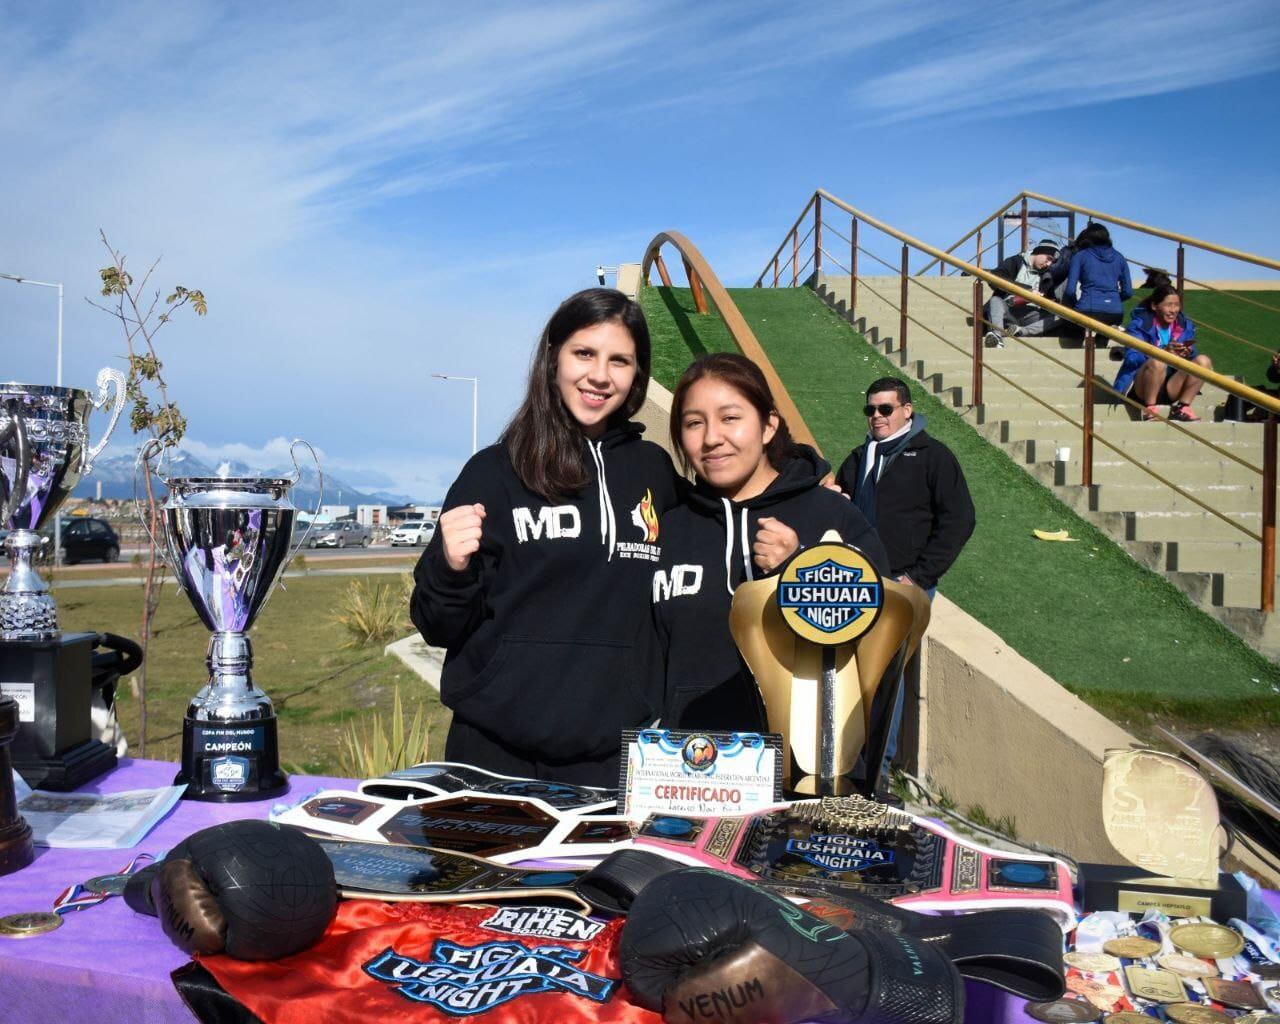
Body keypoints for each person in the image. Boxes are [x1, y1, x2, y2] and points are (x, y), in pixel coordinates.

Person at [409, 287, 681, 787]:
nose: (600, 375)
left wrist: (796, 491)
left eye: (619, 360)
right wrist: (449, 567)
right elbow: (437, 626)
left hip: (611, 761)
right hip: (491, 755)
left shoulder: (654, 472)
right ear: (553, 357)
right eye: (584, 353)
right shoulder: (493, 471)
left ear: (637, 374)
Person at [652, 352, 888, 733]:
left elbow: (878, 644)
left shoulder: (834, 516)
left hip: (804, 773)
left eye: (730, 418)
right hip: (690, 766)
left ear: (768, 425)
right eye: (694, 423)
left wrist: (799, 573)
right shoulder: (669, 528)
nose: (712, 438)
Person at [836, 377, 975, 774]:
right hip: (858, 585)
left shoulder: (934, 457)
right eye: (871, 409)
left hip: (904, 586)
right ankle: (849, 764)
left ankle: (876, 772)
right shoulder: (861, 456)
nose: (877, 417)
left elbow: (960, 519)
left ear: (907, 410)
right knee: (853, 676)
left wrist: (919, 576)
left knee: (887, 678)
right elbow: (839, 498)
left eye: (886, 409)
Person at [1114, 284, 1213, 422]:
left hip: (1169, 386)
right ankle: (1150, 410)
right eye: (1168, 305)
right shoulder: (1139, 325)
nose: (1173, 310)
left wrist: (1187, 353)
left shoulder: (1184, 325)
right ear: (1155, 306)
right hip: (1141, 387)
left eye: (1176, 305)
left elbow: (1193, 354)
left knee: (1203, 361)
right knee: (1158, 362)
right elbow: (1132, 358)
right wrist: (1163, 352)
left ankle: (1183, 408)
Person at [1064, 223, 1133, 346]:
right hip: (1115, 312)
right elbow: (1128, 292)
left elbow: (1070, 291)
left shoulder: (1080, 256)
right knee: (1103, 333)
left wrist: (1074, 304)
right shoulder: (1120, 258)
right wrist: (1115, 299)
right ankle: (1100, 345)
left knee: (1069, 324)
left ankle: (1078, 351)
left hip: (1088, 308)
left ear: (1087, 238)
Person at [983, 242, 1059, 347]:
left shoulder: (1047, 275)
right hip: (1009, 309)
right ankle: (997, 336)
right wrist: (1027, 291)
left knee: (1061, 316)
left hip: (1032, 314)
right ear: (1039, 252)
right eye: (1048, 258)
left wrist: (1046, 300)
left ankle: (1020, 331)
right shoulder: (1015, 261)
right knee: (995, 300)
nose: (1048, 264)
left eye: (1052, 262)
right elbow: (994, 279)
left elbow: (1051, 298)